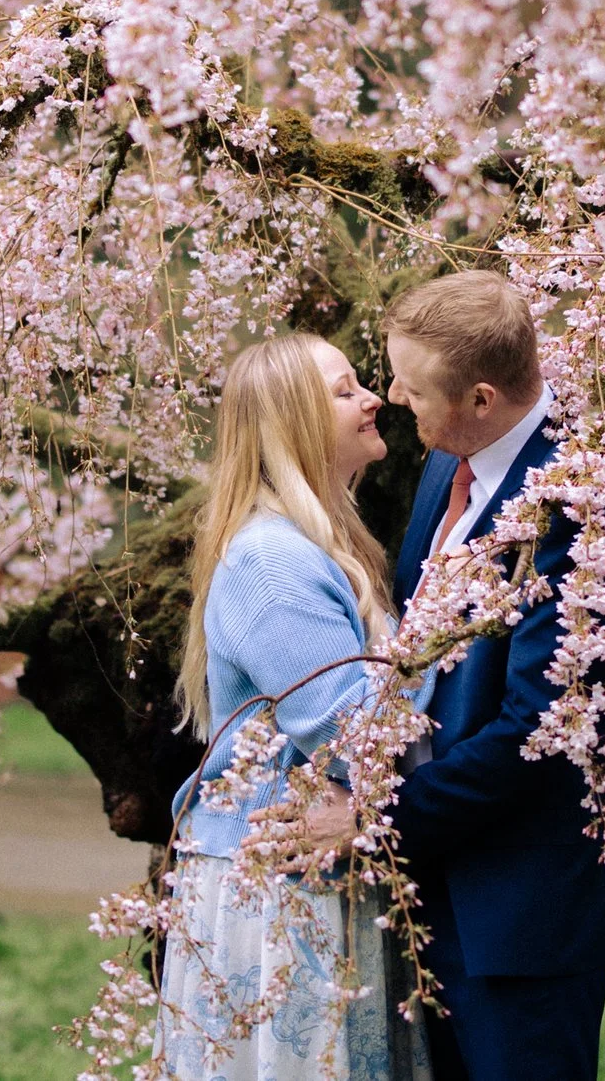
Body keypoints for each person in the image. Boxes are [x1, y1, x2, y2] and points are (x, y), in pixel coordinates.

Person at [381, 271, 605, 1081]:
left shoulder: (587, 504)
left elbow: (541, 732)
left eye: (413, 384)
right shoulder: (451, 456)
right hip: (434, 890)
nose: (395, 396)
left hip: (523, 913)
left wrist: (382, 815)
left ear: (481, 396)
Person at [160, 332, 432, 1081]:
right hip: (282, 898)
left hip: (312, 880)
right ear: (293, 421)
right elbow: (358, 736)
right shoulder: (273, 562)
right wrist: (449, 634)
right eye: (345, 390)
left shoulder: (321, 542)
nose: (373, 397)